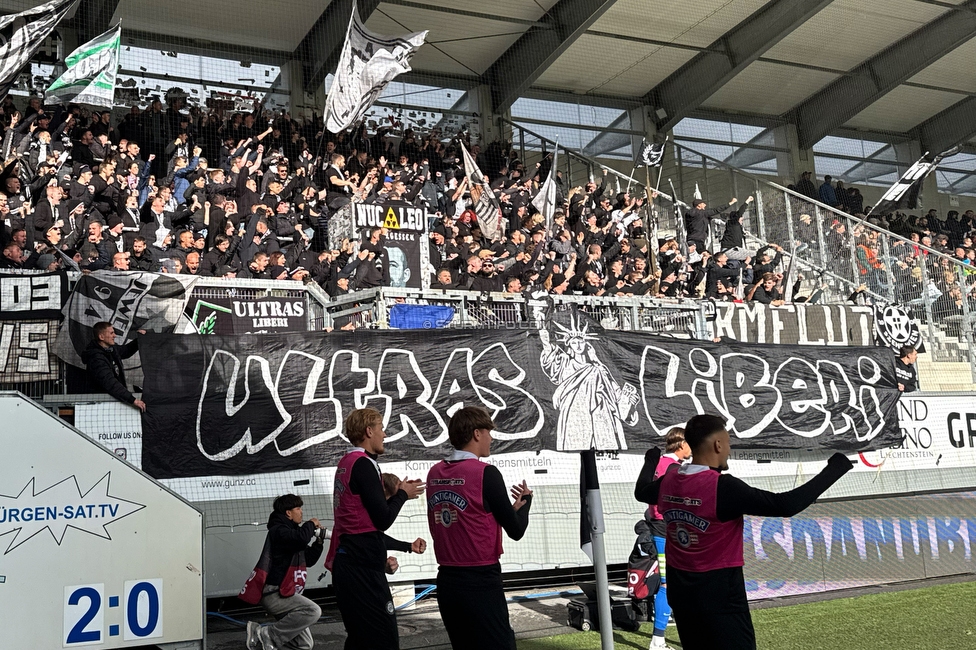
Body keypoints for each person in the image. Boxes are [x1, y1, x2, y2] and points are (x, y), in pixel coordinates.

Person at [634, 414, 854, 650]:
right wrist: (835, 469)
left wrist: (651, 460)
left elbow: (641, 491)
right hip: (720, 596)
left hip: (682, 594)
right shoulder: (722, 487)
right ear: (718, 444)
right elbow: (785, 505)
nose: (729, 449)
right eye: (728, 442)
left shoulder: (670, 480)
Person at [427, 406, 533, 650]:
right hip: (480, 579)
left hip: (447, 580)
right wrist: (526, 504)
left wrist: (508, 510)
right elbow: (516, 530)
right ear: (476, 433)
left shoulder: (435, 473)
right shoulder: (486, 473)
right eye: (488, 432)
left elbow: (472, 514)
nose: (491, 438)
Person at [326, 408, 425, 650]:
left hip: (353, 563)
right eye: (381, 428)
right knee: (383, 638)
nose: (384, 433)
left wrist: (400, 495)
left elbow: (368, 522)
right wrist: (402, 494)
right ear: (369, 431)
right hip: (360, 569)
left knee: (361, 638)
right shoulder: (363, 464)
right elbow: (382, 520)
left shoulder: (347, 462)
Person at [244, 494, 328, 650]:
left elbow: (308, 559)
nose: (301, 512)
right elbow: (300, 539)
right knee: (313, 610)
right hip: (275, 593)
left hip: (286, 593)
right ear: (288, 513)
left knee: (304, 644)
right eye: (298, 508)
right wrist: (311, 523)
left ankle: (265, 639)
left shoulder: (292, 533)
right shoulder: (279, 531)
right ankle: (265, 633)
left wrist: (319, 542)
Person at [646, 427, 691, 650]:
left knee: (675, 582)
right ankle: (658, 641)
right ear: (681, 445)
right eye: (689, 443)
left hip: (664, 526)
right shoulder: (672, 467)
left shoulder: (661, 464)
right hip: (664, 527)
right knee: (667, 584)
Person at [81, 322, 146, 411]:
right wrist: (132, 400)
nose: (115, 336)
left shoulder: (111, 349)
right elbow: (110, 383)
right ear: (101, 337)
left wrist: (139, 339)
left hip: (113, 401)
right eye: (111, 333)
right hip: (100, 406)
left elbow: (126, 351)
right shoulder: (96, 359)